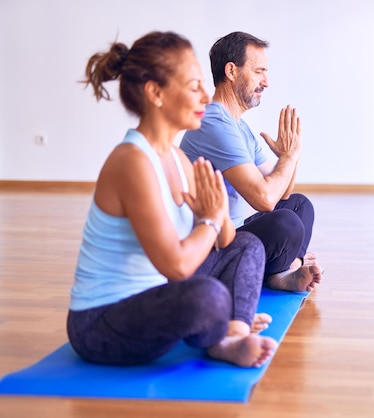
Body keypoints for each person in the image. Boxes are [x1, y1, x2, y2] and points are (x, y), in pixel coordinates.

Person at [66, 31, 277, 368]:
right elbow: (177, 265)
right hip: (102, 322)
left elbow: (225, 239)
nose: (205, 96)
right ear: (156, 93)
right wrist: (209, 219)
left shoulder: (178, 159)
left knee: (247, 245)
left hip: (157, 294)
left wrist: (218, 211)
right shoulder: (132, 161)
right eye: (193, 86)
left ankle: (231, 336)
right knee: (209, 297)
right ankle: (220, 326)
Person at [180, 31, 323, 293]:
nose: (266, 82)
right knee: (286, 223)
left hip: (233, 233)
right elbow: (265, 200)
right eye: (259, 71)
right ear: (232, 71)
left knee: (300, 205)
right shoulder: (214, 123)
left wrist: (291, 154)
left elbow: (283, 193)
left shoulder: (238, 127)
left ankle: (284, 269)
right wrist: (288, 158)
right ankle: (283, 270)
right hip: (212, 246)